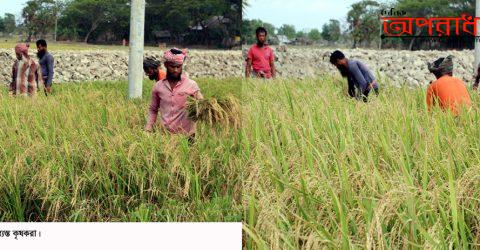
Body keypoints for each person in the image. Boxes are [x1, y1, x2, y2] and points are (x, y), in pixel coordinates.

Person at [145, 48, 204, 142]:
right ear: (166, 65)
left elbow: (201, 105)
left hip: (186, 136)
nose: (176, 70)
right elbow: (153, 110)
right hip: (164, 136)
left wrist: (193, 131)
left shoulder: (191, 85)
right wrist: (148, 129)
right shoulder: (158, 87)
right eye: (172, 67)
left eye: (179, 66)